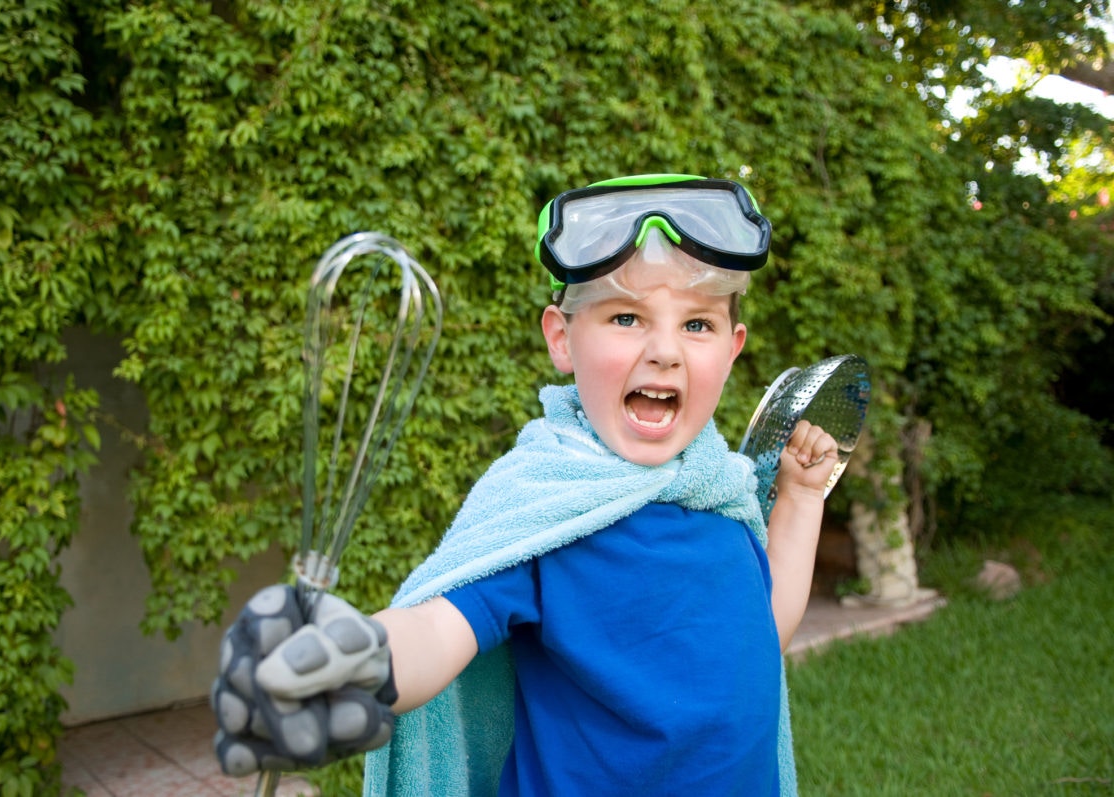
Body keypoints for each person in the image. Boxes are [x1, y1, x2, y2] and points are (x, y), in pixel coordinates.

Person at [211, 174, 838, 797]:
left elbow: (762, 632)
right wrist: (358, 659)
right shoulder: (544, 509)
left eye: (696, 325)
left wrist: (802, 501)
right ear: (562, 339)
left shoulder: (720, 494)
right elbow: (437, 629)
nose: (665, 352)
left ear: (732, 350)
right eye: (626, 316)